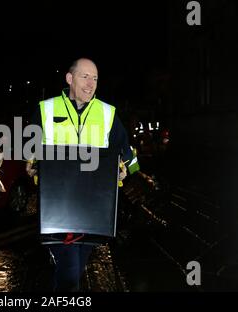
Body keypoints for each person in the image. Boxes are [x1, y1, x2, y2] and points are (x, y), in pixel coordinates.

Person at [26, 58, 139, 291]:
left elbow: (126, 151)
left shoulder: (108, 114)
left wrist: (127, 169)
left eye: (95, 78)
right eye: (85, 76)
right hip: (58, 208)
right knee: (70, 273)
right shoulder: (46, 109)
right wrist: (31, 164)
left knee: (74, 268)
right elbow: (30, 148)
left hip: (93, 211)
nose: (91, 84)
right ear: (69, 79)